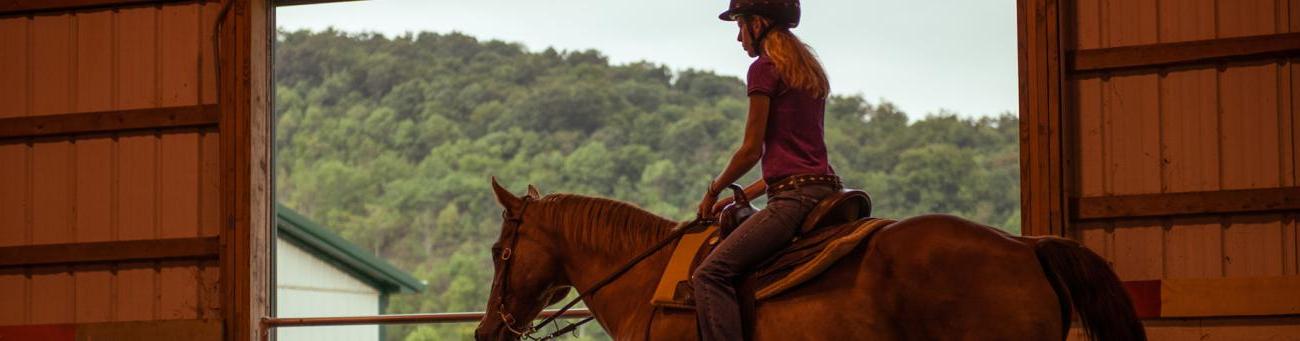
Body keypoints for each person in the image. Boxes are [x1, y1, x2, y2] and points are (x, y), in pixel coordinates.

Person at [691, 0, 840, 340]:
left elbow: (749, 151)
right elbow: (790, 167)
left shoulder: (764, 68)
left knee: (709, 275)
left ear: (757, 24)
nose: (739, 38)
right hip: (826, 189)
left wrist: (712, 191)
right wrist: (742, 194)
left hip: (793, 200)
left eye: (740, 26)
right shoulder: (808, 70)